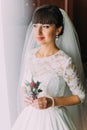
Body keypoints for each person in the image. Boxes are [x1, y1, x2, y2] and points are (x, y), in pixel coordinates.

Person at [12, 5, 85, 130]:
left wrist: (51, 102)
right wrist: (26, 95)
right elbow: (24, 86)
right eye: (35, 26)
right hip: (30, 117)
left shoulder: (63, 61)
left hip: (54, 119)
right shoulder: (30, 55)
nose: (38, 32)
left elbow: (80, 96)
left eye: (45, 27)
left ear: (58, 30)